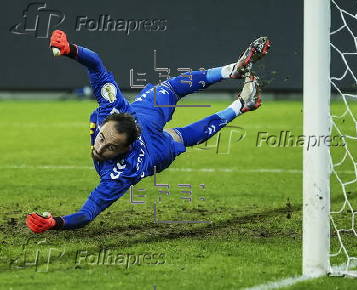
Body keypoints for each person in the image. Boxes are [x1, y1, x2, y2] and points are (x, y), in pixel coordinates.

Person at [25, 30, 271, 233]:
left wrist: (53, 223)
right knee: (171, 90)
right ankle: (232, 72)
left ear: (126, 148)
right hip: (142, 114)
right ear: (110, 120)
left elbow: (87, 214)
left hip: (154, 150)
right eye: (102, 138)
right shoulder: (112, 107)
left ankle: (241, 105)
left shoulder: (123, 171)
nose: (99, 148)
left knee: (181, 135)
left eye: (111, 147)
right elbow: (96, 63)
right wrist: (70, 49)